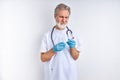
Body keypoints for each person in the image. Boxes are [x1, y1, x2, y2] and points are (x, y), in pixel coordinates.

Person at [40, 3, 80, 80]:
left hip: (70, 74)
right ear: (55, 16)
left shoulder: (72, 34)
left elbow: (76, 57)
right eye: (61, 17)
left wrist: (73, 47)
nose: (64, 20)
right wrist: (53, 50)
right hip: (53, 74)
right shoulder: (47, 36)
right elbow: (43, 58)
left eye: (66, 17)